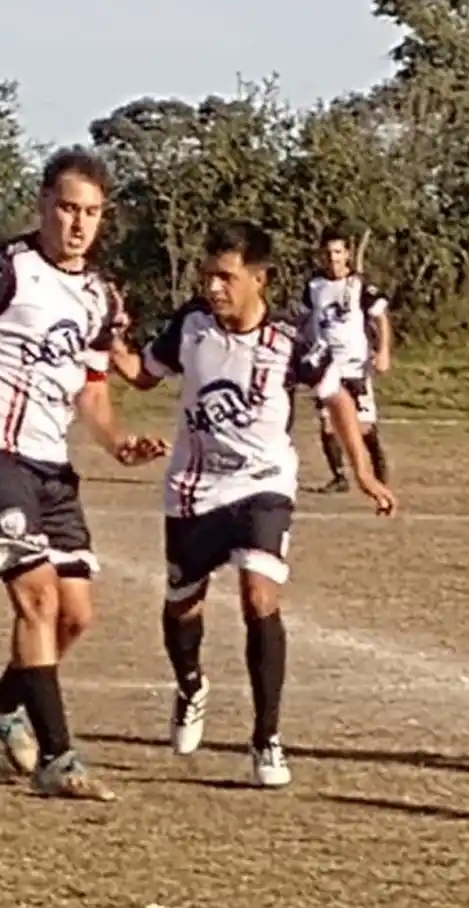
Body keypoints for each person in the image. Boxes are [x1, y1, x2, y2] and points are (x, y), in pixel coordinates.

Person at [108, 220, 397, 788]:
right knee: (182, 606)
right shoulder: (190, 325)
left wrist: (362, 469)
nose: (214, 288)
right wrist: (107, 340)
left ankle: (267, 739)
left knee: (258, 595)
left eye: (226, 277)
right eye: (208, 275)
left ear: (258, 279)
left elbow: (335, 397)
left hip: (264, 483)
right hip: (193, 487)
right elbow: (143, 375)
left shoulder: (291, 337)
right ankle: (191, 685)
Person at [0, 146, 164, 802]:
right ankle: (58, 758)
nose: (77, 223)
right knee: (36, 598)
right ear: (42, 203)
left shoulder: (99, 294)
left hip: (52, 464)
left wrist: (117, 440)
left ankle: (4, 705)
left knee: (75, 615)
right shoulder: (2, 270)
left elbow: (91, 390)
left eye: (91, 212)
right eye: (67, 207)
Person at [300, 227, 392, 493]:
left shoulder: (359, 285)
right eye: (328, 253)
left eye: (338, 252)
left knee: (362, 426)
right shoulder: (314, 286)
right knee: (328, 423)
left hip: (355, 364)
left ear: (347, 254)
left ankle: (378, 473)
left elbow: (380, 319)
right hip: (327, 364)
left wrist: (382, 350)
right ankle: (339, 477)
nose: (333, 258)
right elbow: (304, 319)